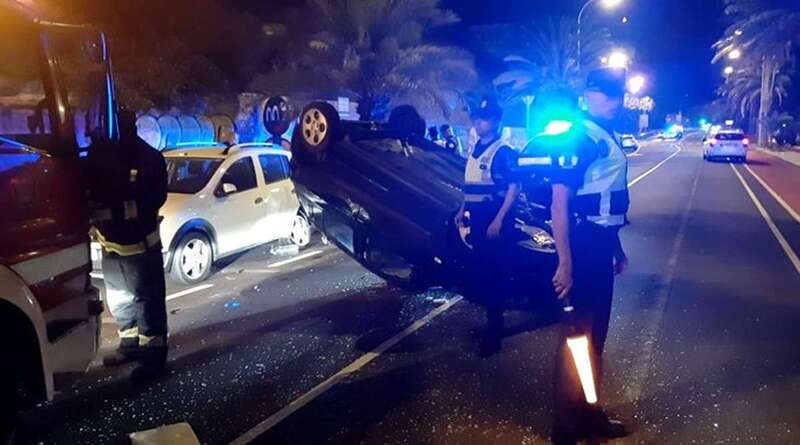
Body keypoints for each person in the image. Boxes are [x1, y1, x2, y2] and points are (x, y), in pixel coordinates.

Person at [546, 68, 631, 444]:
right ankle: (565, 429)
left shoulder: (606, 134)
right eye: (607, 94)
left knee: (595, 339)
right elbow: (560, 205)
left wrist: (616, 248)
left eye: (618, 94)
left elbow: (608, 202)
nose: (615, 101)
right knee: (576, 339)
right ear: (588, 94)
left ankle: (591, 414)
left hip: (600, 246)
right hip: (581, 247)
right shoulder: (580, 137)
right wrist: (565, 262)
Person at [88, 106, 169, 382]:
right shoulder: (102, 156)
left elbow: (155, 198)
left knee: (147, 302)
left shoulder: (148, 158)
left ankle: (153, 360)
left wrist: (118, 209)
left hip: (141, 245)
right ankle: (129, 344)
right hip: (111, 244)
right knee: (120, 297)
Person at [454, 98, 520, 356]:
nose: (477, 123)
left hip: (494, 219)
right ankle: (490, 323)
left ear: (495, 122)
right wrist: (462, 209)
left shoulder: (503, 151)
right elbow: (470, 186)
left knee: (495, 275)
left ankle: (494, 334)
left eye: (482, 119)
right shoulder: (475, 150)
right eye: (476, 119)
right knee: (482, 273)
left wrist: (499, 219)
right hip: (478, 218)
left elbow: (513, 188)